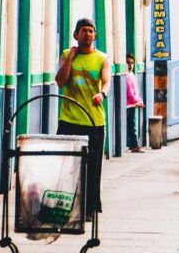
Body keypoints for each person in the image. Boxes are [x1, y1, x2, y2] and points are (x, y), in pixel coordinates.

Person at [55, 18, 109, 219]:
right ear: (76, 35)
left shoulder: (102, 58)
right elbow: (61, 81)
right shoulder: (67, 55)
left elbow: (105, 82)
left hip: (93, 122)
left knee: (93, 166)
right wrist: (71, 58)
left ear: (95, 35)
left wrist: (101, 94)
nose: (88, 34)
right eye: (84, 31)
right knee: (66, 165)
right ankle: (65, 206)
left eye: (91, 31)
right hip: (69, 120)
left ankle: (90, 208)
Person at [124, 54, 145, 153]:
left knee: (132, 125)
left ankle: (134, 145)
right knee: (132, 126)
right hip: (128, 105)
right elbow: (130, 92)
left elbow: (135, 91)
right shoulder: (127, 76)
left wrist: (139, 100)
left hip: (132, 104)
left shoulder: (131, 75)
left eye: (132, 63)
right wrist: (138, 101)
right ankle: (134, 146)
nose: (130, 65)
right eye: (128, 62)